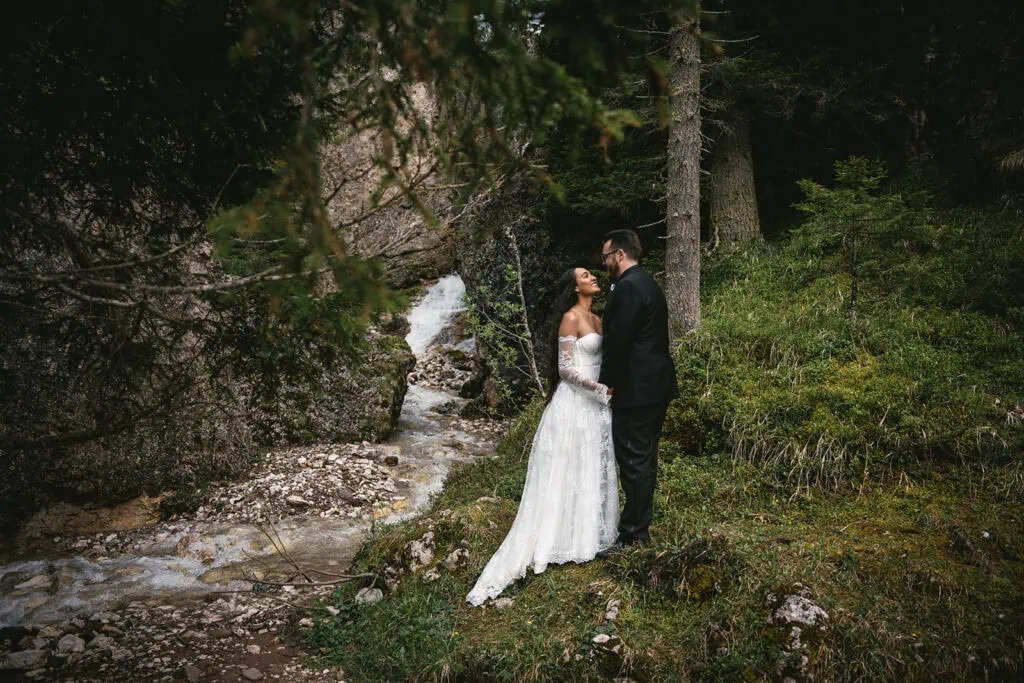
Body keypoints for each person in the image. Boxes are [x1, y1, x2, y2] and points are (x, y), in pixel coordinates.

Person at [466, 267, 618, 606]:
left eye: (592, 274)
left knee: (590, 466)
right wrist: (600, 390)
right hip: (575, 403)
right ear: (574, 286)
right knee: (565, 472)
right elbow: (565, 369)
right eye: (585, 275)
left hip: (595, 406)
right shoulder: (570, 317)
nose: (593, 277)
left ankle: (587, 537)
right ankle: (557, 539)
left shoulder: (596, 318)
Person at [598, 229, 678, 553]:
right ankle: (636, 530)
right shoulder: (646, 282)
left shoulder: (629, 287)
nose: (604, 263)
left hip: (637, 390)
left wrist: (607, 383)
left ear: (620, 255)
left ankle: (633, 537)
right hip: (654, 387)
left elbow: (619, 342)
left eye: (605, 257)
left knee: (633, 460)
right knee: (643, 459)